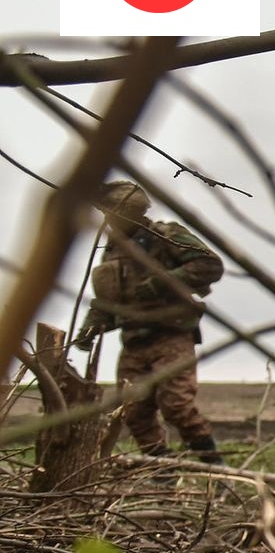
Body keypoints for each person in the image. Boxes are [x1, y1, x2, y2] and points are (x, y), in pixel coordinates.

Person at [72, 180, 225, 464]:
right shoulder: (113, 251)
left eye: (110, 214)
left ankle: (213, 467)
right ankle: (162, 471)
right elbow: (106, 300)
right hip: (133, 341)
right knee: (133, 412)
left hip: (172, 335)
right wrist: (88, 331)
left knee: (176, 406)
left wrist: (162, 282)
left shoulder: (167, 236)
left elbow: (210, 265)